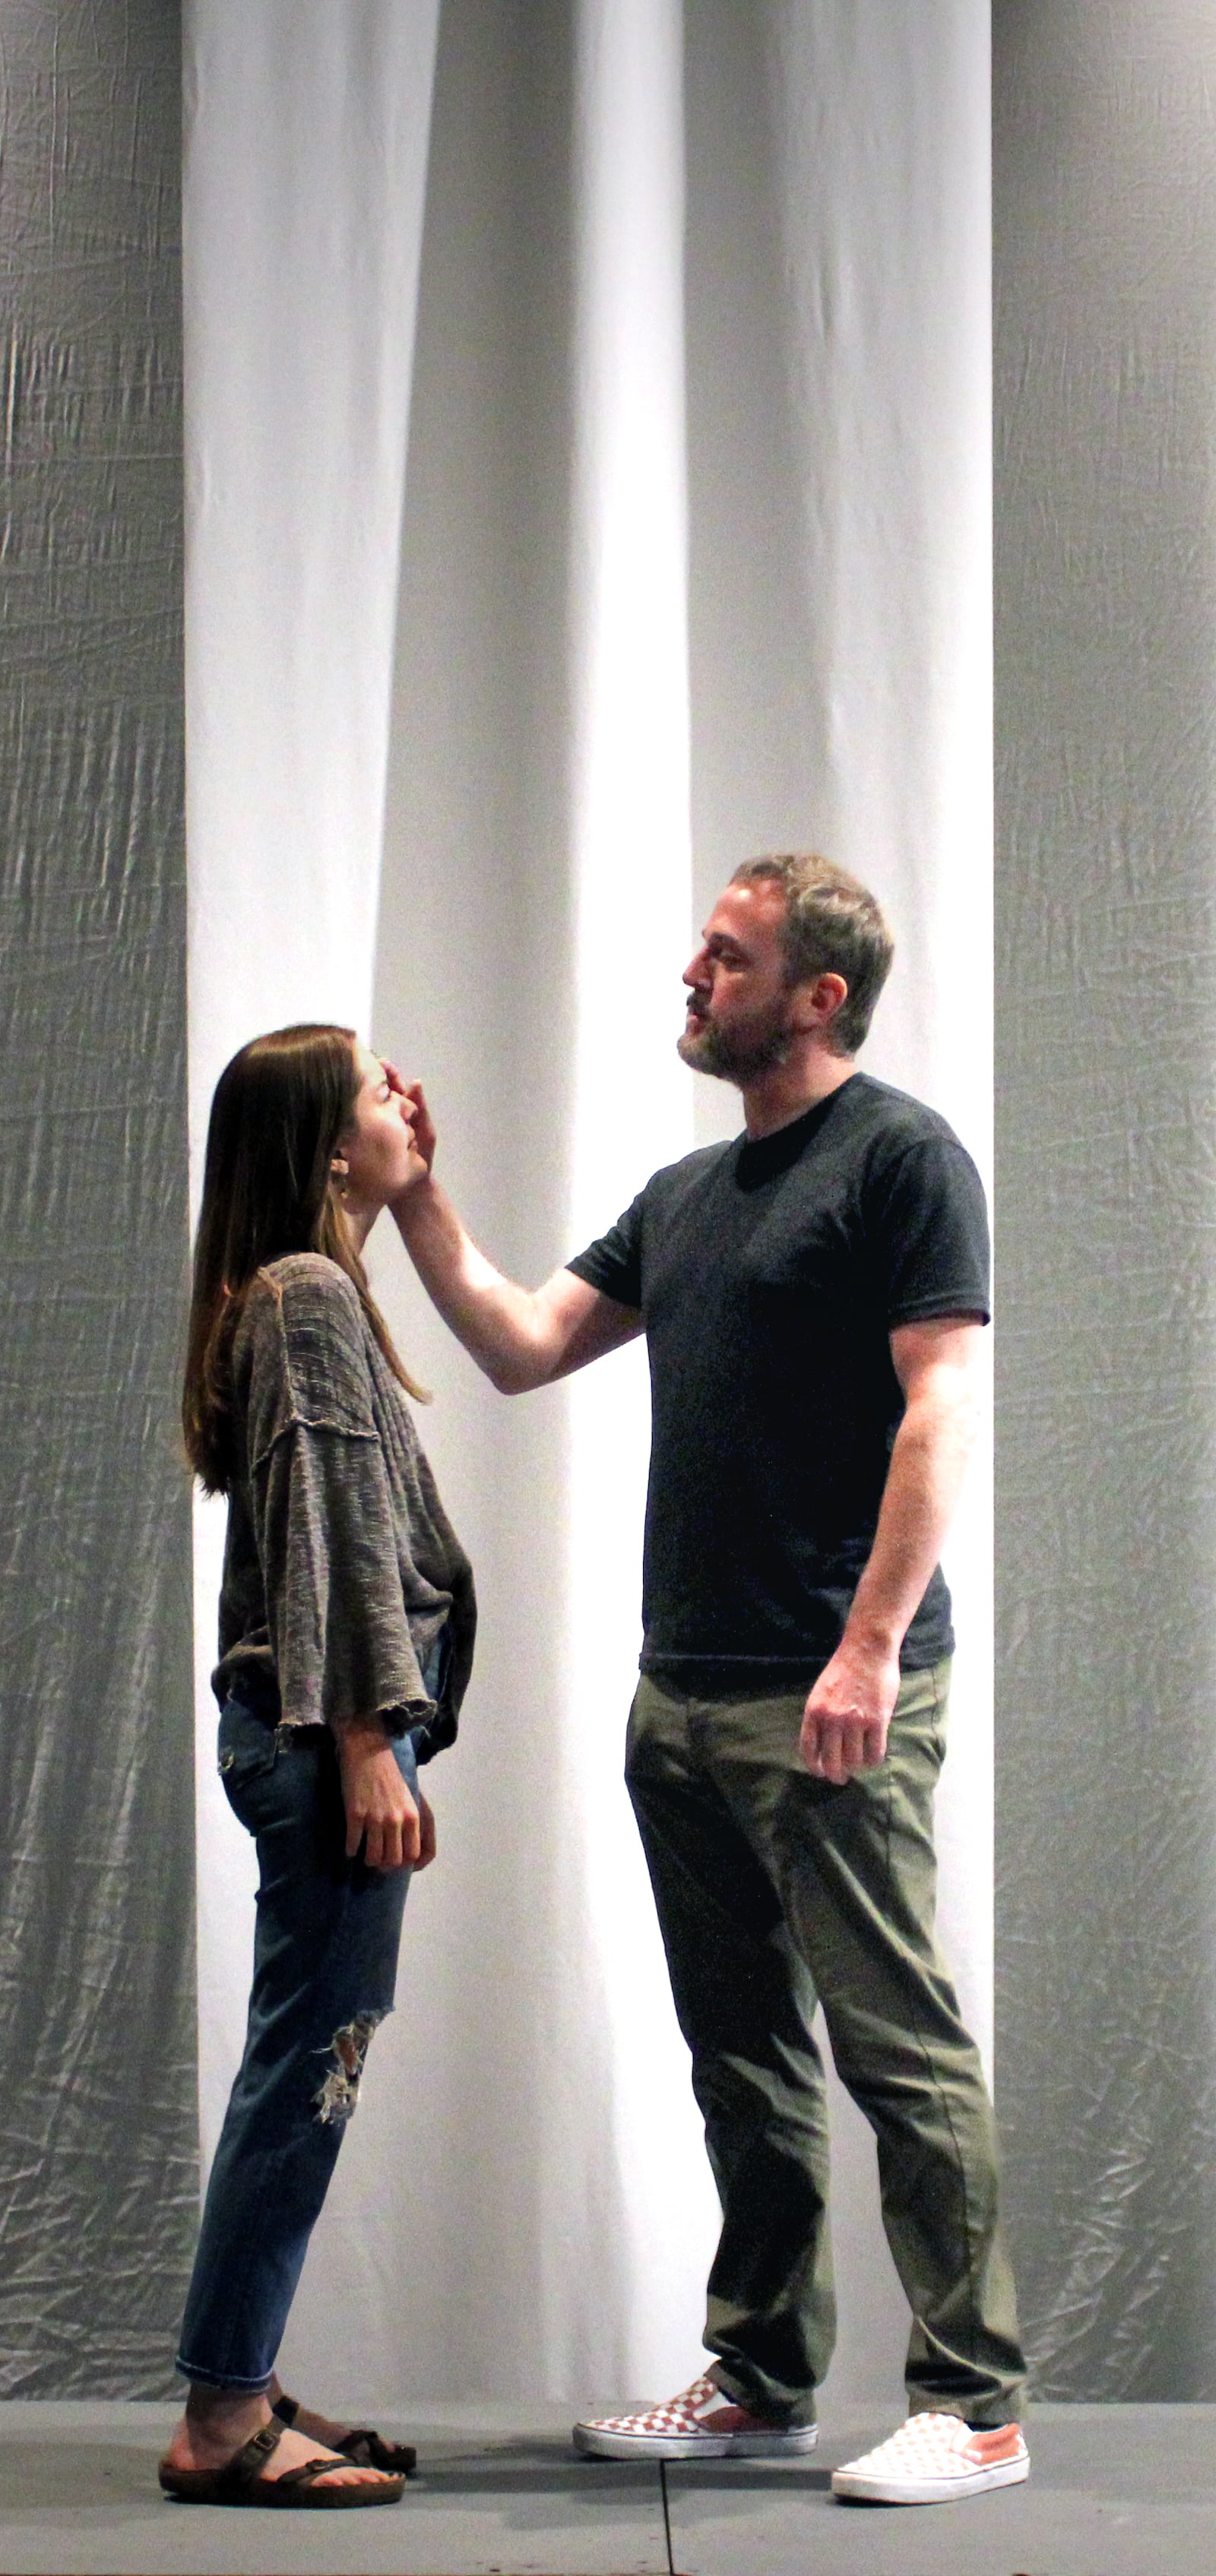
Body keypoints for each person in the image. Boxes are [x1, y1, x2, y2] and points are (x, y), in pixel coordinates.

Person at [388, 855, 1028, 2509]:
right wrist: (412, 1201)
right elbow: (525, 1342)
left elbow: (940, 1405)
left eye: (724, 956)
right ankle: (759, 2379)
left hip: (830, 1688)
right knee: (738, 2054)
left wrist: (868, 1648)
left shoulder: (899, 1160)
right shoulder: (685, 1199)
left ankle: (972, 2405)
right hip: (680, 1696)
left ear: (814, 995)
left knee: (896, 2049)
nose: (691, 972)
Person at [160, 1025, 475, 2509]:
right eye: (374, 1093)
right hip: (323, 1733)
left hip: (310, 1728)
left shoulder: (297, 1289)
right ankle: (223, 2418)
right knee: (310, 2069)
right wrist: (366, 1740)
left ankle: (242, 2381)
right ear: (318, 1145)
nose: (403, 1103)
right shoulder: (300, 1297)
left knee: (304, 2060)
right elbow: (336, 1536)